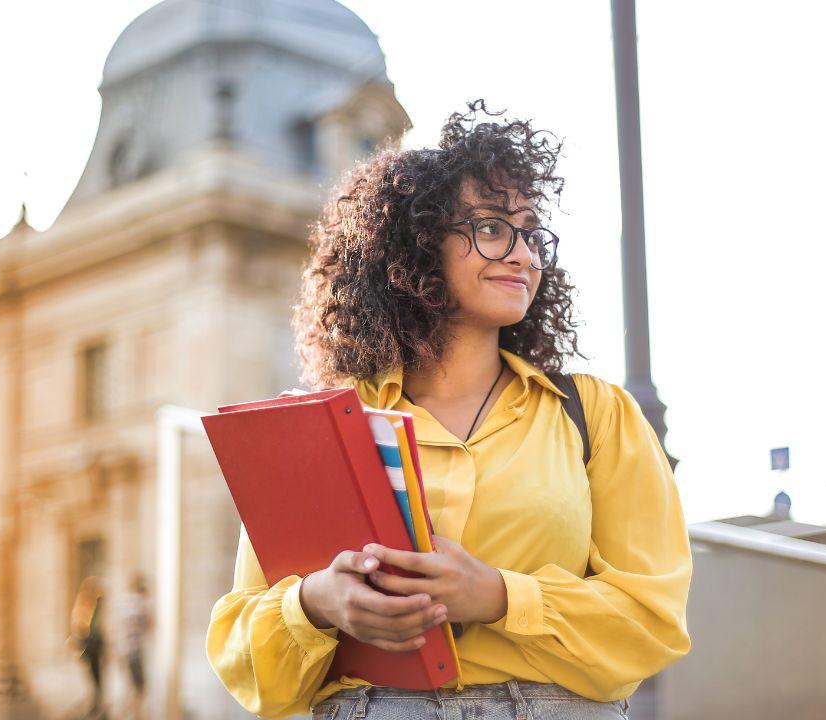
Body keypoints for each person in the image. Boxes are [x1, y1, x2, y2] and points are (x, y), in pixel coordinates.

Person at [206, 100, 692, 719]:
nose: (523, 255)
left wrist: (497, 596)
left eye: (531, 233)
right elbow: (245, 660)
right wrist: (316, 604)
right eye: (491, 227)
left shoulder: (595, 414)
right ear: (417, 244)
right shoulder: (323, 426)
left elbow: (653, 622)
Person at [116, 574, 153, 719]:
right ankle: (136, 716)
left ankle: (128, 715)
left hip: (123, 651)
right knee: (140, 689)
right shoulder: (139, 604)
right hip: (135, 652)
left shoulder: (123, 603)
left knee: (130, 687)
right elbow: (149, 625)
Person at [70, 576, 105, 719]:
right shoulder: (85, 605)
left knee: (96, 678)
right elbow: (80, 626)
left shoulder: (94, 606)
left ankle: (97, 706)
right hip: (90, 646)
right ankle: (94, 706)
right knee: (93, 678)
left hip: (94, 646)